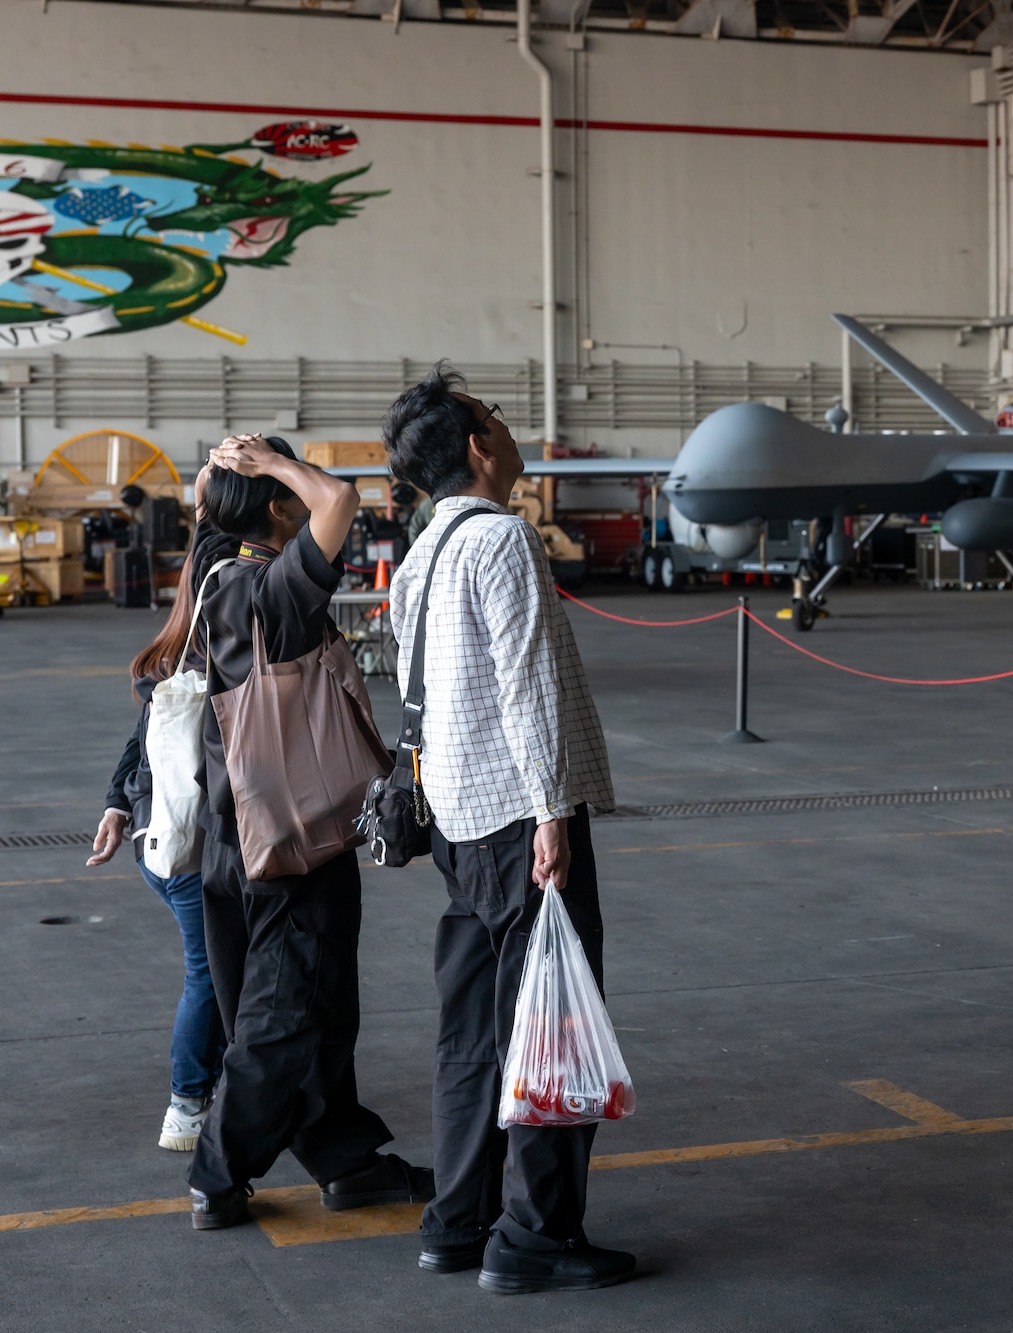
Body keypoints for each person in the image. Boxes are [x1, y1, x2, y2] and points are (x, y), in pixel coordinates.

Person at [383, 365, 632, 1294]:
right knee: (551, 1023)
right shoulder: (502, 541)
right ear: (480, 447)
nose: (510, 430)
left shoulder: (423, 552)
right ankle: (535, 1236)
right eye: (498, 418)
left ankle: (458, 1217)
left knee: (474, 1031)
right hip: (521, 824)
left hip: (454, 818)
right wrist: (554, 814)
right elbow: (525, 688)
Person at [183, 433, 433, 1231]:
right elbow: (342, 500)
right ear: (275, 506)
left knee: (314, 1007)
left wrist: (228, 473)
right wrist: (276, 467)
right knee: (283, 1017)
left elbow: (215, 506)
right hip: (293, 841)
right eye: (290, 491)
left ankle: (344, 1159)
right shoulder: (274, 593)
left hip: (234, 835)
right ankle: (217, 1174)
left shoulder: (212, 572)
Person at [88, 518, 229, 1152]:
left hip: (155, 835)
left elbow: (140, 738)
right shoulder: (221, 649)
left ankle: (212, 1087)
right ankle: (187, 1103)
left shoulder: (175, 649)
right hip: (189, 849)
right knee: (210, 974)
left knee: (222, 969)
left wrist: (118, 804)